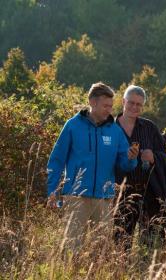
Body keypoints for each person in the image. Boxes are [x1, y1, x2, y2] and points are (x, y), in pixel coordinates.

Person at [47, 82, 138, 252]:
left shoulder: (115, 131)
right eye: (105, 105)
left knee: (101, 250)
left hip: (104, 197)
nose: (109, 110)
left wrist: (131, 158)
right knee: (72, 248)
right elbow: (57, 159)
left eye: (111, 106)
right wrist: (52, 189)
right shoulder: (72, 125)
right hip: (75, 196)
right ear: (92, 102)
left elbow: (124, 164)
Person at [113, 85, 166, 250]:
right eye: (131, 103)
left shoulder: (149, 127)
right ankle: (122, 271)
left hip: (148, 191)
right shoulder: (110, 127)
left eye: (138, 104)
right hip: (119, 193)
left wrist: (154, 157)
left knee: (150, 239)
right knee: (121, 239)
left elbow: (165, 155)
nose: (134, 107)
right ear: (123, 101)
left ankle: (146, 270)